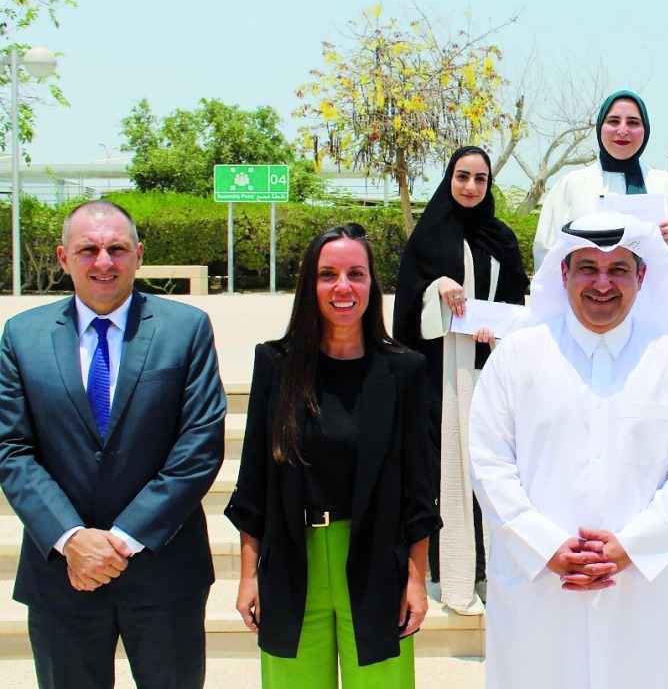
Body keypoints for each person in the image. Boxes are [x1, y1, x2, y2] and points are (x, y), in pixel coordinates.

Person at [470, 212, 668, 689]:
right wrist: (547, 546)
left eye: (618, 269)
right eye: (588, 268)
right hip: (539, 585)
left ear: (642, 277)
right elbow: (488, 465)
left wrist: (630, 547)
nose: (602, 284)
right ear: (563, 273)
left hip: (638, 586)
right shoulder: (516, 357)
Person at [0, 199, 225, 689]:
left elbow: (200, 446)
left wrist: (119, 541)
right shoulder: (22, 336)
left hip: (164, 573)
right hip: (62, 574)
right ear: (63, 258)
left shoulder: (186, 329)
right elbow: (11, 449)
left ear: (138, 255)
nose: (104, 261)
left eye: (116, 248)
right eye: (88, 250)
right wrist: (72, 539)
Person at [225, 224, 440, 688]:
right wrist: (248, 575)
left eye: (355, 274)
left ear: (372, 285)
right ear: (309, 285)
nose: (343, 287)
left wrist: (416, 580)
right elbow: (254, 482)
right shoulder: (277, 365)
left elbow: (419, 494)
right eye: (328, 274)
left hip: (376, 560)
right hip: (290, 560)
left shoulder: (403, 370)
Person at [392, 145, 529, 615]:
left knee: (492, 465)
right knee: (447, 467)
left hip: (490, 368)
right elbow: (407, 311)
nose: (470, 187)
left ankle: (494, 571)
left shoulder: (502, 238)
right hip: (441, 375)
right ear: (449, 178)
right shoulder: (429, 236)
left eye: (480, 179)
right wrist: (437, 289)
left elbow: (515, 303)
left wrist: (498, 331)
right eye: (462, 176)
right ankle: (452, 573)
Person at [533, 90, 668, 330]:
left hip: (657, 317)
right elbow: (546, 262)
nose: (623, 130)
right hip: (590, 315)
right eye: (613, 121)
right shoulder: (571, 185)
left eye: (633, 122)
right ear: (600, 126)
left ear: (646, 130)